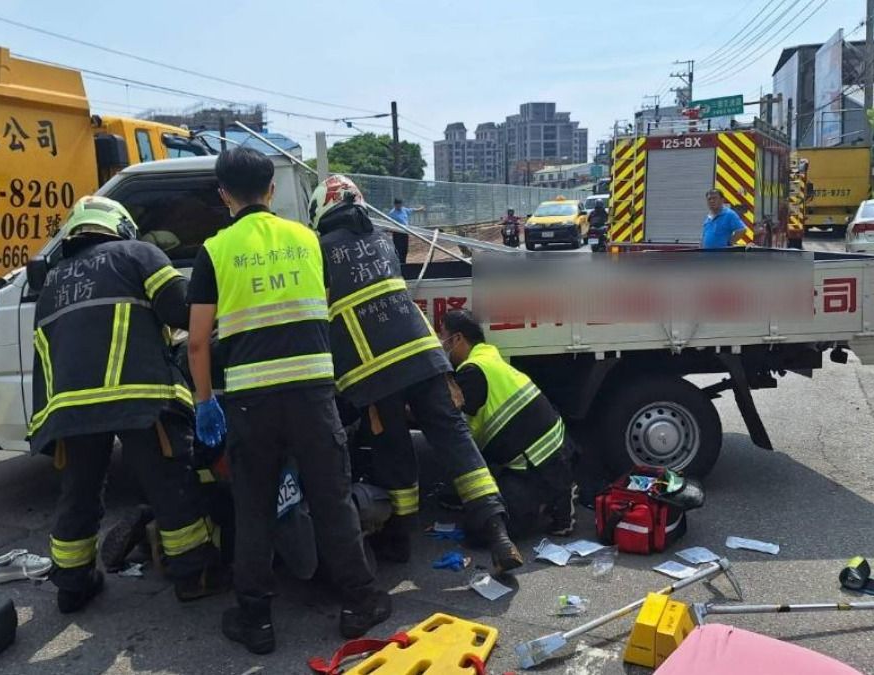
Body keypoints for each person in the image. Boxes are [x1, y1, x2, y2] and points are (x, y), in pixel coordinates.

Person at [186, 149, 390, 655]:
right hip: (313, 395)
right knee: (332, 498)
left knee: (253, 507)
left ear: (223, 195)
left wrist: (204, 401)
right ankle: (360, 603)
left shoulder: (214, 251)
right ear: (272, 191)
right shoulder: (308, 240)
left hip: (251, 402)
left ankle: (256, 620)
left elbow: (196, 341)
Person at [305, 175, 524, 573]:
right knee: (456, 441)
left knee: (393, 451)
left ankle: (399, 541)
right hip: (425, 357)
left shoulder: (318, 252)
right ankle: (498, 533)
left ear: (321, 210)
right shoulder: (385, 241)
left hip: (374, 369)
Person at [28, 195, 226, 614]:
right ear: (119, 226)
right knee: (170, 484)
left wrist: (44, 425)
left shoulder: (53, 281)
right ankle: (193, 576)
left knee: (78, 494)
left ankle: (72, 585)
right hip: (139, 396)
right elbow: (182, 310)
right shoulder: (139, 254)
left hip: (69, 407)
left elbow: (44, 352)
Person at [441, 310, 609, 538]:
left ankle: (557, 495)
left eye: (444, 338)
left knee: (482, 531)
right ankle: (554, 493)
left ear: (458, 339)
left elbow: (456, 430)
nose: (442, 345)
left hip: (540, 463)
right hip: (552, 451)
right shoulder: (487, 359)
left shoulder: (473, 372)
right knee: (484, 510)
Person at [387, 197, 425, 264]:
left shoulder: (404, 209)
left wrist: (420, 209)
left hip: (405, 233)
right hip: (397, 233)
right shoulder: (392, 213)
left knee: (405, 249)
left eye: (400, 205)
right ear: (395, 205)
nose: (399, 206)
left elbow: (412, 210)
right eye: (398, 205)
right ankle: (398, 263)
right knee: (398, 249)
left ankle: (404, 263)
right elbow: (388, 224)